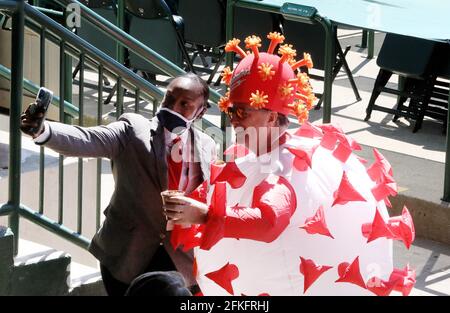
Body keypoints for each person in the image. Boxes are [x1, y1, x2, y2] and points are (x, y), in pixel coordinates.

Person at [162, 34, 416, 296]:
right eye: (230, 110)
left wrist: (204, 214)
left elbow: (269, 222)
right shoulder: (261, 159)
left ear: (271, 116)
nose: (233, 121)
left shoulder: (280, 167)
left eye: (242, 112)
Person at [20, 73, 217, 296]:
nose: (172, 108)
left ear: (201, 111)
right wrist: (43, 131)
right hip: (126, 255)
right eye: (169, 99)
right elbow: (88, 139)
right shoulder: (134, 129)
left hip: (179, 260)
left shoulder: (207, 145)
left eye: (185, 105)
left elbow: (212, 195)